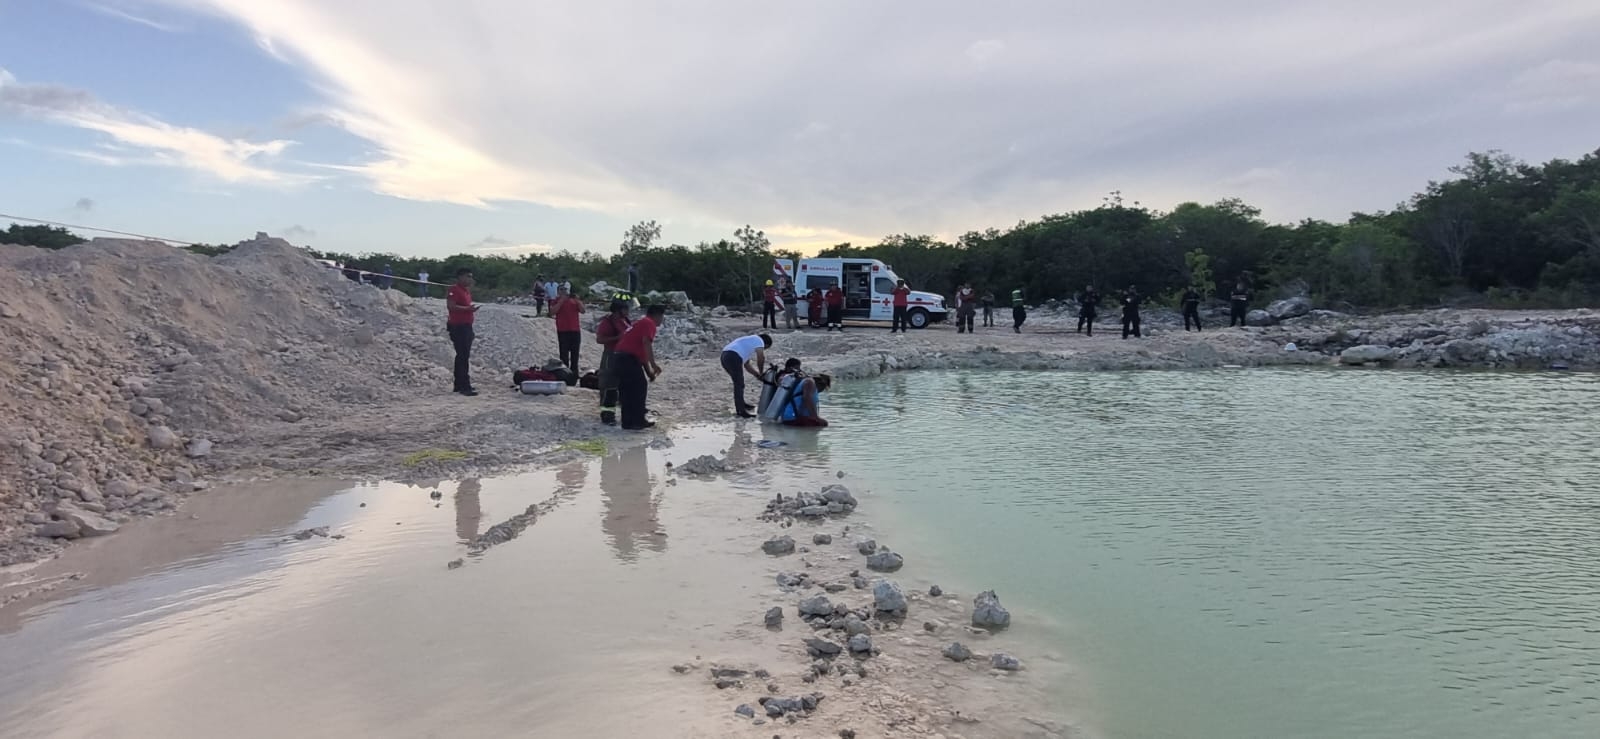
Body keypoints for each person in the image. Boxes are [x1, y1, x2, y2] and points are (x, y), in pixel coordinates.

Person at [614, 304, 666, 430]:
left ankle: (627, 422)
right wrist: (653, 365)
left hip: (620, 357)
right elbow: (646, 343)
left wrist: (649, 373)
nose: (662, 320)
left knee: (627, 390)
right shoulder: (649, 323)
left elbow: (641, 354)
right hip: (628, 358)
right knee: (638, 388)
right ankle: (638, 421)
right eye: (662, 316)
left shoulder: (640, 323)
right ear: (657, 315)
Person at [594, 299, 632, 425]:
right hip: (611, 356)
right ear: (618, 311)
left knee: (624, 385)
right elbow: (599, 339)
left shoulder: (625, 321)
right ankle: (607, 415)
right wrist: (617, 338)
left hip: (624, 356)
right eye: (625, 309)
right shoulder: (607, 322)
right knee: (609, 386)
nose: (628, 311)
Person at [446, 268, 480, 396]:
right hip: (458, 326)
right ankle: (464, 386)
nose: (470, 279)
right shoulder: (454, 289)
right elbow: (450, 306)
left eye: (471, 276)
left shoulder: (466, 291)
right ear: (460, 277)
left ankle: (460, 384)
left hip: (466, 326)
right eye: (468, 276)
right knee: (462, 356)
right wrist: (467, 309)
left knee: (463, 356)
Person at [721, 333, 772, 417]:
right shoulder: (759, 340)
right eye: (765, 348)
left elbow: (747, 366)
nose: (763, 349)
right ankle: (741, 411)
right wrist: (761, 372)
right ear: (766, 344)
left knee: (739, 383)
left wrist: (757, 376)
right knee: (739, 384)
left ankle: (742, 404)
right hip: (733, 356)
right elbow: (761, 358)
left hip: (725, 355)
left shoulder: (747, 343)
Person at [552, 285, 585, 372]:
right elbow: (552, 312)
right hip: (563, 331)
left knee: (575, 354)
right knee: (564, 354)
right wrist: (561, 301)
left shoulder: (574, 301)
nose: (563, 291)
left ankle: (574, 372)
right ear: (558, 291)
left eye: (565, 289)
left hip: (575, 330)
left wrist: (578, 300)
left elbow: (583, 311)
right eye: (561, 290)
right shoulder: (556, 301)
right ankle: (564, 372)